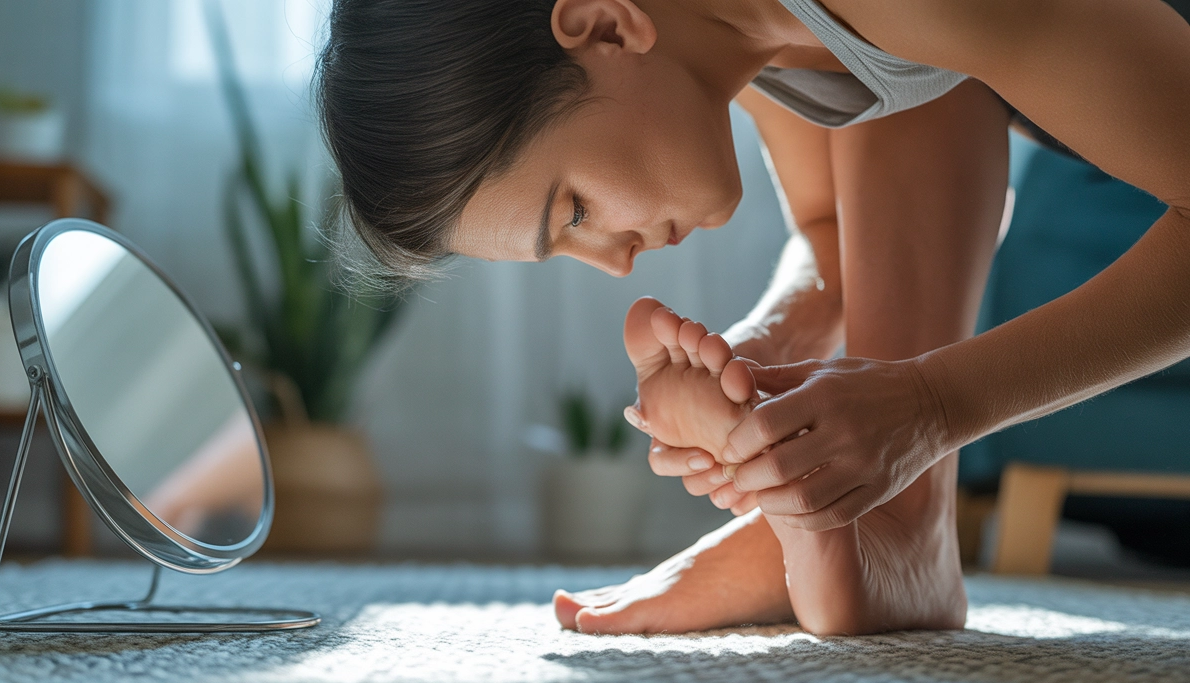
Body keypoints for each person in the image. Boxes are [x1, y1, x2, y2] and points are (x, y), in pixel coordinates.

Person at [316, 0, 1190, 635]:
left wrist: (930, 409)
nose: (615, 261)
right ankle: (900, 531)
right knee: (917, 90)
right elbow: (833, 236)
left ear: (607, 26)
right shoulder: (743, 33)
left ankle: (901, 523)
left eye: (575, 210)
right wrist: (753, 363)